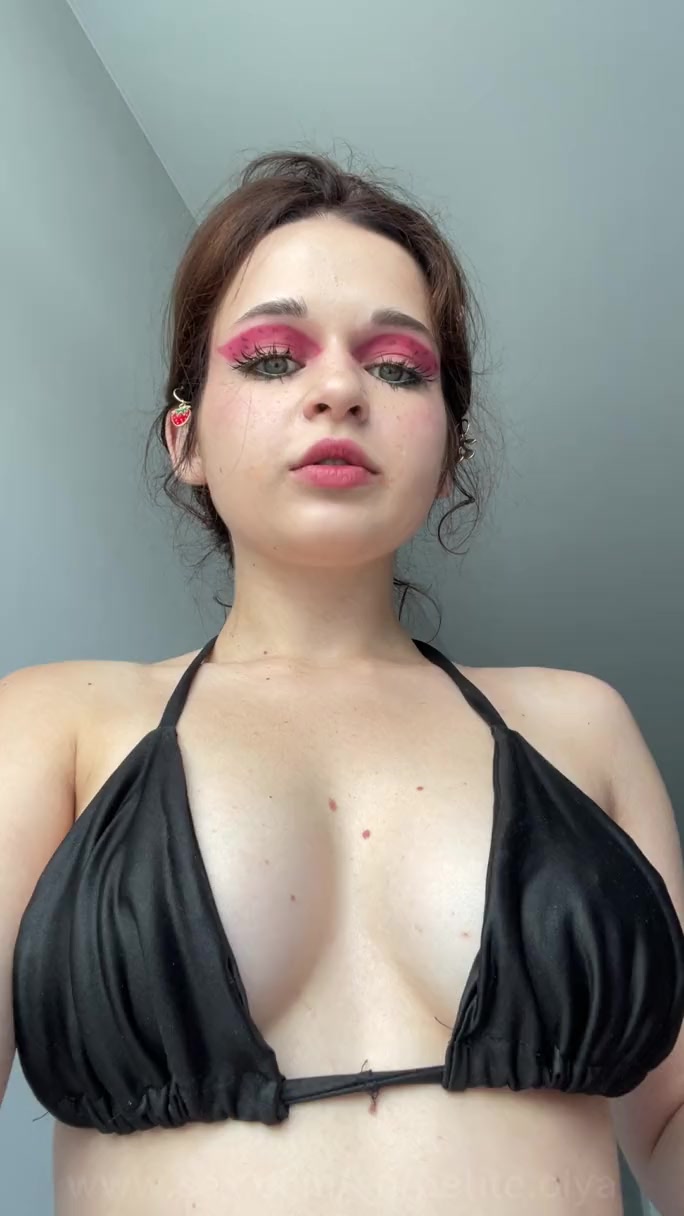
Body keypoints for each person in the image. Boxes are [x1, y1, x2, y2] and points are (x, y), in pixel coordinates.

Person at [2, 149, 684, 1216]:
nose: (338, 391)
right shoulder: (54, 725)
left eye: (399, 368)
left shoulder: (581, 726)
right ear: (187, 440)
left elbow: (673, 1117)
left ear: (448, 451)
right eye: (274, 358)